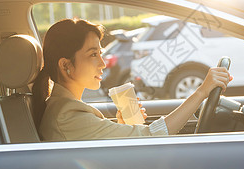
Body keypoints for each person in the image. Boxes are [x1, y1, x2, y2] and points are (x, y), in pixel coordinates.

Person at [33, 18, 232, 141]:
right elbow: (152, 137)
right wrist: (201, 92)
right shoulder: (68, 116)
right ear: (66, 65)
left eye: (100, 53)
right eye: (93, 54)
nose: (103, 63)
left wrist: (122, 128)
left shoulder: (64, 109)